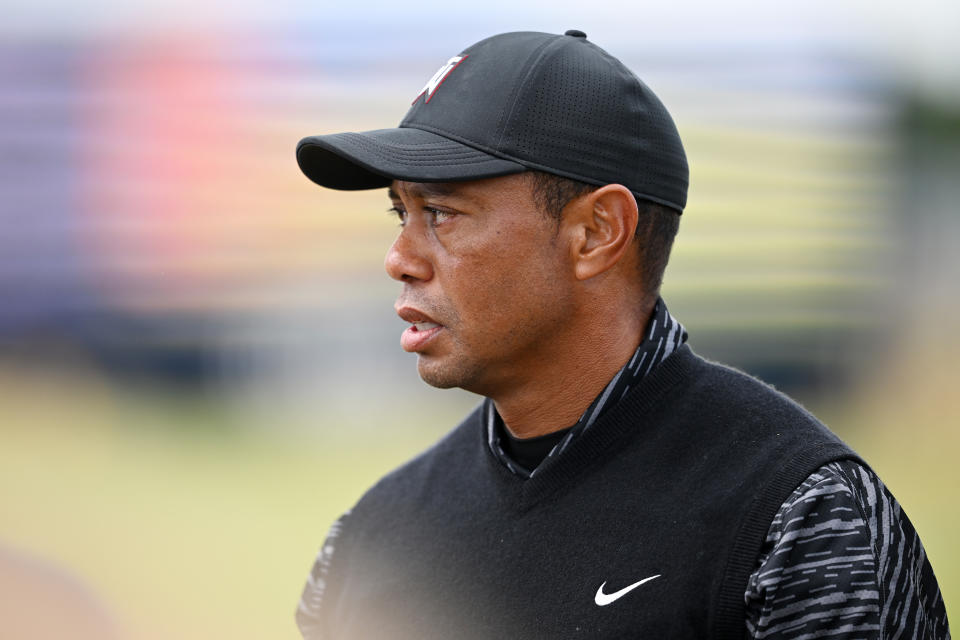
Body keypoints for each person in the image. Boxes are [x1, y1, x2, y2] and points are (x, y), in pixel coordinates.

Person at [293, 30, 950, 639]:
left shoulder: (796, 516)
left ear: (596, 232)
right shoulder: (372, 538)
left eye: (441, 212)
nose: (399, 257)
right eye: (399, 211)